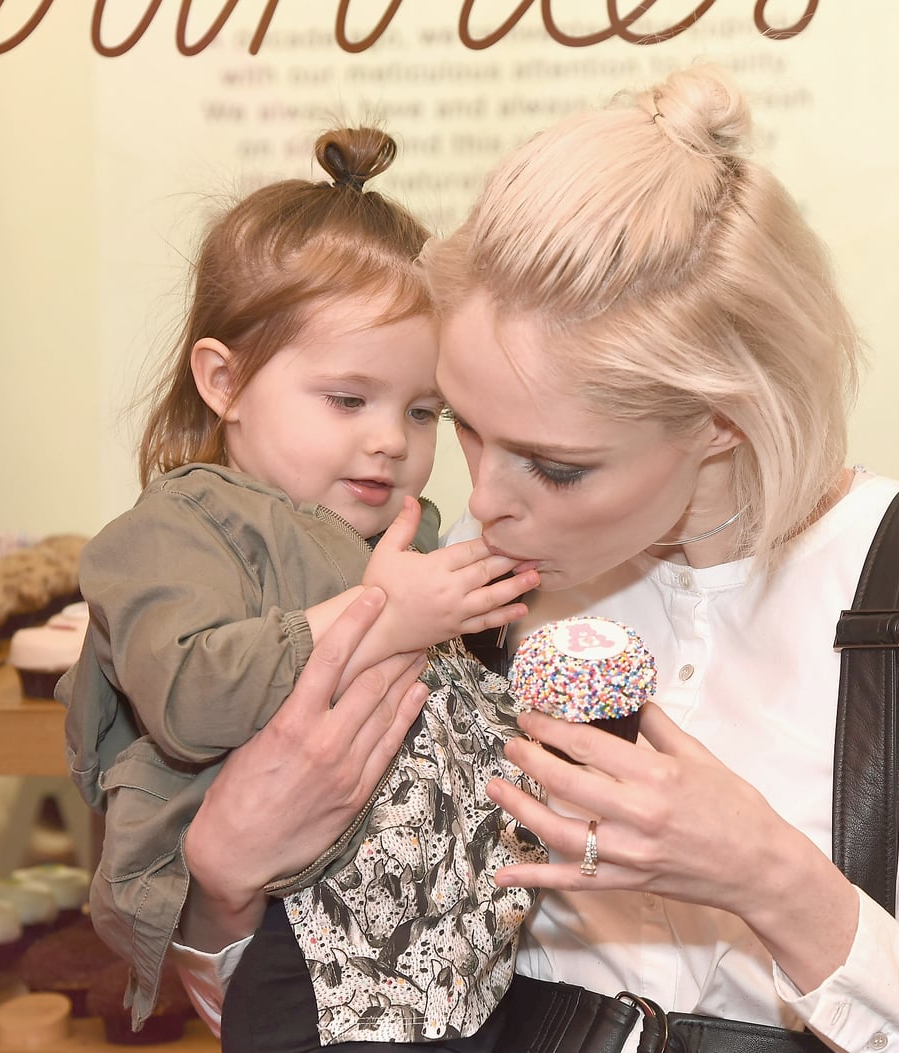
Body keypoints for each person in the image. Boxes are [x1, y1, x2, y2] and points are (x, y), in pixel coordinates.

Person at [170, 67, 899, 1052]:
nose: (485, 501)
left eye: (557, 467)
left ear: (721, 421)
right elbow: (350, 1013)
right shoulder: (472, 583)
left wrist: (771, 878)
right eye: (464, 427)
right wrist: (226, 890)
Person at [60, 128, 546, 1049]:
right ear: (225, 380)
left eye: (422, 410)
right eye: (347, 399)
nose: (391, 442)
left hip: (444, 940)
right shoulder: (175, 532)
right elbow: (192, 695)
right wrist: (384, 615)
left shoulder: (404, 530)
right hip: (294, 934)